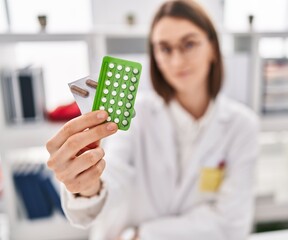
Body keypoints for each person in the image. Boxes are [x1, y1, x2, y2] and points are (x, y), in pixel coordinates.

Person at [46, 0, 259, 239]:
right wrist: (87, 186)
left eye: (189, 44)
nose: (177, 61)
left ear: (212, 47)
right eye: (165, 48)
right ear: (155, 55)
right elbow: (114, 174)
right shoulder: (135, 113)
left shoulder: (242, 126)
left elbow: (232, 224)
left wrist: (143, 235)